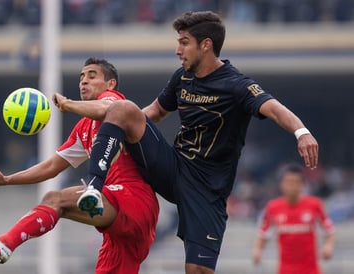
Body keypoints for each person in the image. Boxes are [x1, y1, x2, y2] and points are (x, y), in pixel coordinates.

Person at [53, 11, 319, 274]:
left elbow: (273, 108)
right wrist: (120, 123)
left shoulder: (236, 84)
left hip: (207, 190)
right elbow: (153, 112)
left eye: (184, 42)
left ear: (206, 45)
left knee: (198, 270)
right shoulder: (181, 78)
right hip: (173, 168)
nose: (178, 50)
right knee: (124, 109)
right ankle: (94, 189)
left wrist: (302, 132)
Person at [0, 58, 159, 274]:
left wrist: (68, 104)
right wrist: (8, 179)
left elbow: (107, 107)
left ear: (110, 84)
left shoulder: (114, 103)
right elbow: (50, 167)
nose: (84, 82)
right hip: (117, 219)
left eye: (92, 76)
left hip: (133, 199)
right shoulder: (84, 128)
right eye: (81, 77)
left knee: (55, 199)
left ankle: (6, 243)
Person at [252, 163, 334, 274]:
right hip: (285, 270)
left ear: (303, 185)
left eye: (296, 182)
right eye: (289, 182)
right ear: (282, 184)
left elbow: (329, 231)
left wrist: (328, 246)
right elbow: (263, 233)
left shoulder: (315, 205)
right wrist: (258, 250)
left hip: (310, 270)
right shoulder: (273, 207)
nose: (292, 186)